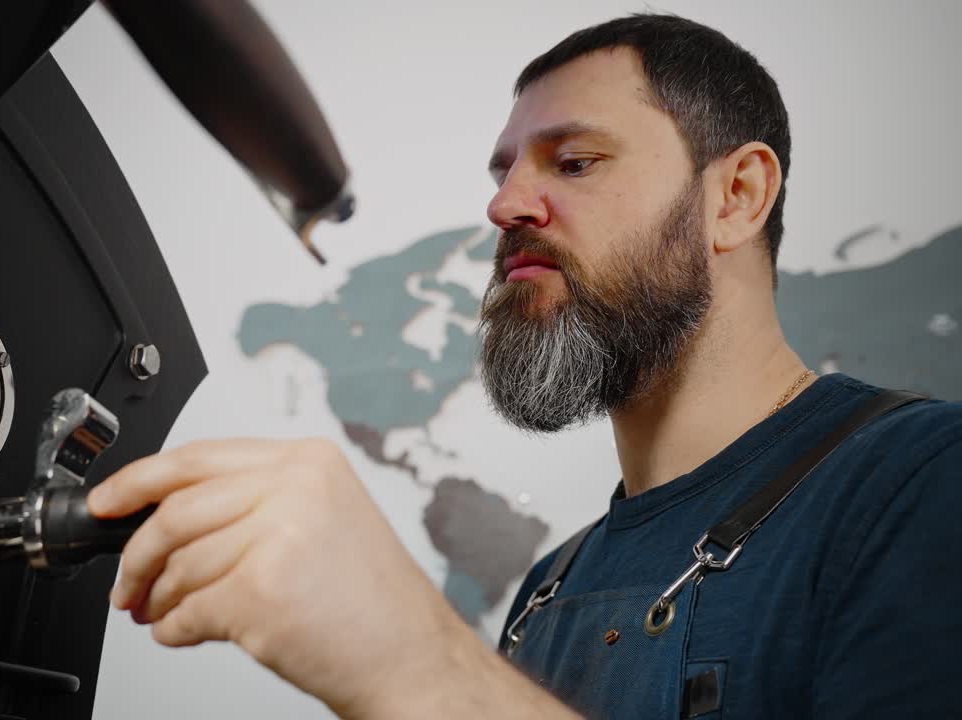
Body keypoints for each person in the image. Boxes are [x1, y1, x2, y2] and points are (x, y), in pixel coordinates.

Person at [87, 13, 962, 719]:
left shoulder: (922, 484)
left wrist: (419, 670)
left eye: (575, 162)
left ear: (736, 196)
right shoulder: (552, 587)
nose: (505, 206)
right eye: (503, 172)